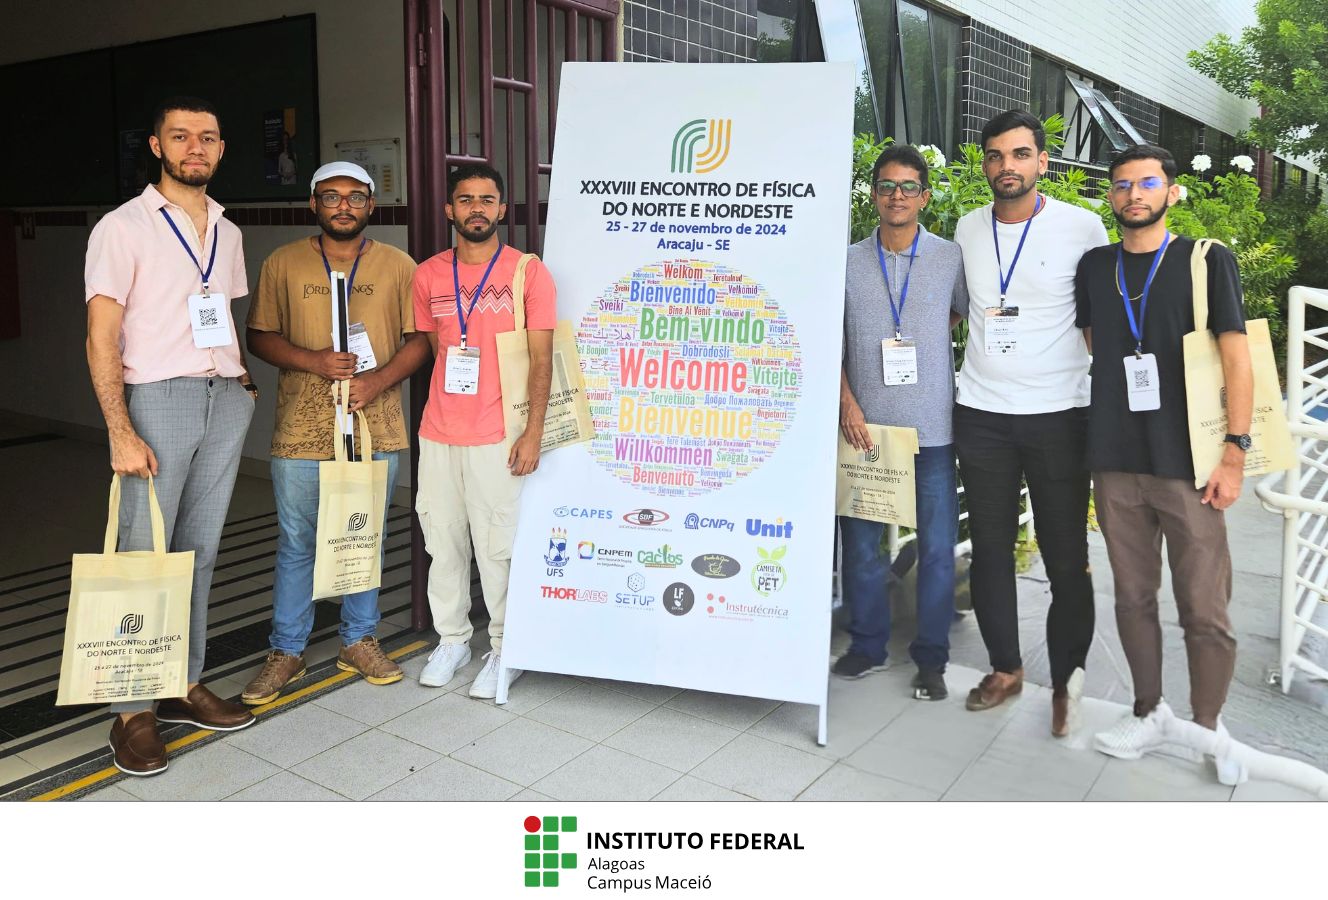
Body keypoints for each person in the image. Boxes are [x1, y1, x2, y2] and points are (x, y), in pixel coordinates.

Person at [85, 96, 257, 776]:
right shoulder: (122, 228)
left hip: (224, 399)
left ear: (221, 148)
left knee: (198, 554)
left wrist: (242, 383)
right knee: (143, 557)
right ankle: (131, 712)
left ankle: (181, 682)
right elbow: (101, 336)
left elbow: (221, 314)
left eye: (207, 137)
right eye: (180, 137)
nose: (195, 148)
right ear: (156, 146)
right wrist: (119, 428)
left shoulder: (228, 230)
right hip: (158, 400)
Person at [1076, 144, 1252, 780]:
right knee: (1132, 596)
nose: (1134, 194)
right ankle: (1148, 711)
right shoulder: (1096, 266)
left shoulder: (1205, 260)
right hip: (1116, 460)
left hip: (1190, 463)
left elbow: (1236, 356)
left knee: (1204, 607)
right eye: (1122, 185)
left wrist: (1235, 452)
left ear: (1172, 192)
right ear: (1111, 196)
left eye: (1147, 183)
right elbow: (1095, 342)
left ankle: (1208, 727)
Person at [242, 161, 429, 705]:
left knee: (363, 535)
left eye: (354, 197)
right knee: (298, 540)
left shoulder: (399, 265)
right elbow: (258, 336)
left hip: (376, 423)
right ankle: (287, 649)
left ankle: (359, 639)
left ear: (372, 204)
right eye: (331, 196)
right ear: (313, 204)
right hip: (303, 425)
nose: (343, 206)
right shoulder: (283, 262)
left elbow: (421, 340)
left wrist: (377, 381)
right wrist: (315, 361)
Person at [952, 109, 1109, 736]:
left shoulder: (1082, 226)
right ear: (985, 163)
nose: (1007, 166)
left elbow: (1100, 321)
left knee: (1065, 554)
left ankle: (1067, 680)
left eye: (1020, 154)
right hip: (982, 413)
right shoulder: (967, 228)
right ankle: (1005, 669)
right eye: (995, 155)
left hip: (1059, 414)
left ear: (1043, 161)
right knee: (990, 550)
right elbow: (957, 311)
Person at [412, 163, 555, 700]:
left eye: (487, 200)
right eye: (466, 200)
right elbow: (437, 349)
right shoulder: (428, 275)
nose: (477, 208)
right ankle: (452, 640)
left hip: (499, 435)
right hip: (438, 433)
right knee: (442, 541)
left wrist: (533, 432)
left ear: (501, 208)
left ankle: (504, 646)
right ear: (449, 210)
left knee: (498, 548)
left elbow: (542, 360)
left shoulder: (527, 273)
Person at [836, 144, 968, 700]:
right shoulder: (845, 260)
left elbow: (957, 313)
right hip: (865, 431)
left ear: (925, 197)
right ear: (873, 195)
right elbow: (829, 339)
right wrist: (847, 403)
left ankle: (931, 658)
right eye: (887, 186)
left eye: (908, 187)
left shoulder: (949, 257)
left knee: (937, 548)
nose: (897, 196)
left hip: (932, 428)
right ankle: (867, 645)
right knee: (863, 546)